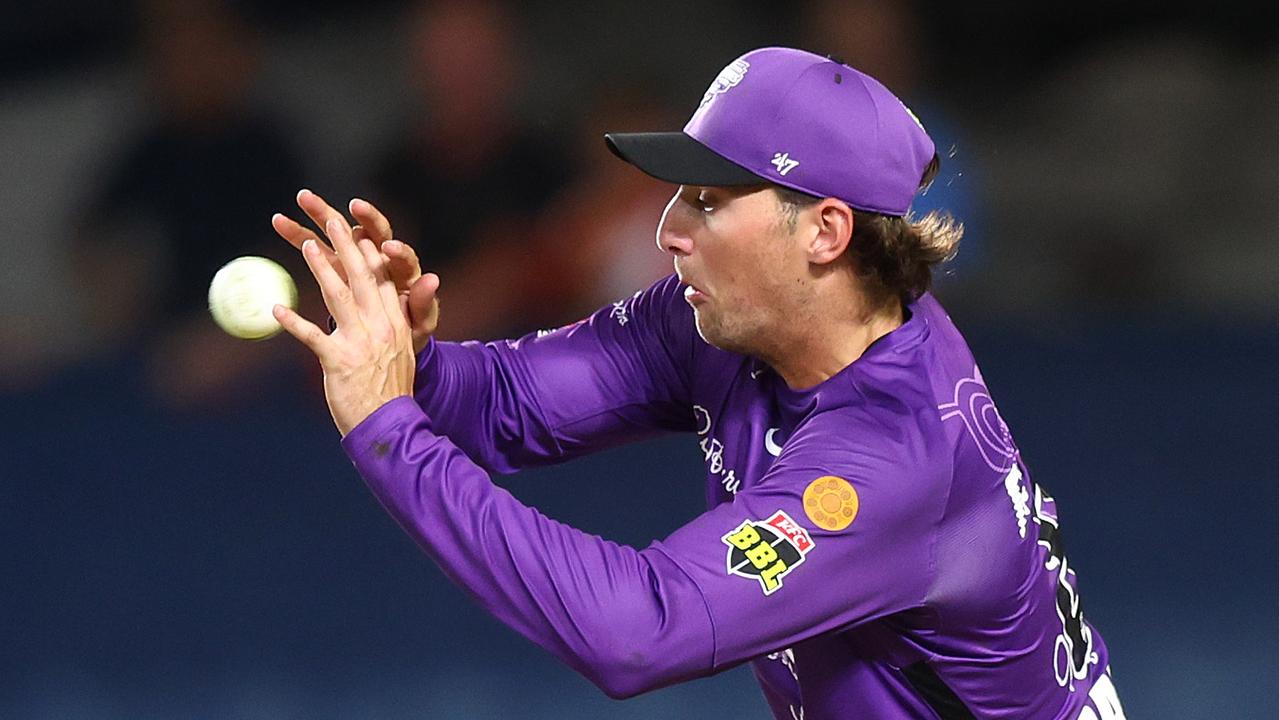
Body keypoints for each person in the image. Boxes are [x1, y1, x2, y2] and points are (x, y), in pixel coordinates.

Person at [269, 48, 1126, 719]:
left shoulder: (894, 457)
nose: (669, 228)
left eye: (709, 200)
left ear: (824, 231)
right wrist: (408, 357)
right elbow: (510, 405)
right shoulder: (729, 318)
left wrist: (387, 427)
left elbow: (636, 633)